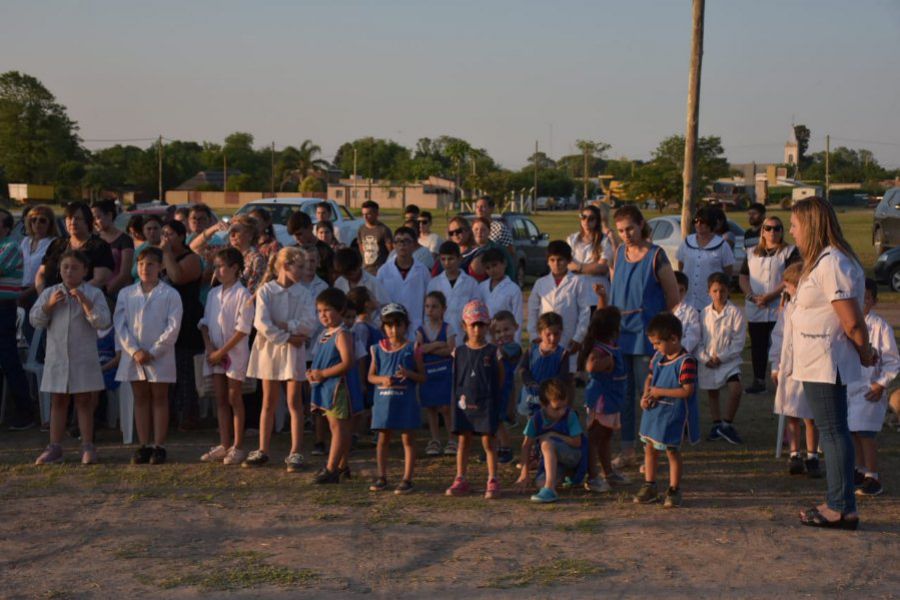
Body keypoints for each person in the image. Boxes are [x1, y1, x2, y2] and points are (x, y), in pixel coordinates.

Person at [790, 197, 872, 530]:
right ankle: (840, 503)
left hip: (826, 360)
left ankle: (840, 507)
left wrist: (866, 352)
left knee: (834, 432)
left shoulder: (832, 263)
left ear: (810, 226)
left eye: (795, 225)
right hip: (816, 359)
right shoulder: (822, 261)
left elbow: (851, 321)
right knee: (833, 430)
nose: (792, 232)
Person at [608, 204, 680, 469]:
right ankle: (628, 451)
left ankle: (652, 450)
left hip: (646, 338)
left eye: (630, 228)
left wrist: (656, 329)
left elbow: (672, 297)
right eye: (621, 230)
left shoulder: (656, 255)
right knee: (624, 395)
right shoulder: (618, 253)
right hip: (621, 335)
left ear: (641, 225)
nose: (626, 234)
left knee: (648, 394)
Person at [31, 250, 111, 464]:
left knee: (84, 401)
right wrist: (49, 306)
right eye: (65, 267)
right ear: (60, 269)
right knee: (58, 400)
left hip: (83, 357)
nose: (69, 271)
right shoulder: (50, 293)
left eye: (75, 267)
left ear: (85, 271)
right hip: (57, 357)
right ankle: (55, 447)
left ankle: (87, 445)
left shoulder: (93, 293)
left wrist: (85, 302)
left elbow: (102, 322)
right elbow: (35, 320)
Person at [243, 247, 317, 472]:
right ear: (286, 266)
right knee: (269, 401)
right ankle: (263, 449)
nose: (305, 272)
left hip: (293, 351)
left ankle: (295, 451)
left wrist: (287, 326)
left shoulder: (303, 293)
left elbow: (309, 324)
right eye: (300, 267)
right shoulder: (266, 291)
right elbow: (262, 324)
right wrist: (287, 336)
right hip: (270, 350)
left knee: (295, 401)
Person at [115, 247, 183, 465]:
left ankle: (159, 445)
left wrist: (153, 352)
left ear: (161, 266)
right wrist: (134, 350)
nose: (145, 268)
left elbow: (173, 327)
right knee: (141, 398)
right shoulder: (126, 293)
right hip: (134, 355)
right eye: (142, 263)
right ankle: (143, 444)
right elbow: (121, 325)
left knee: (160, 398)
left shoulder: (170, 294)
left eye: (151, 264)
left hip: (159, 355)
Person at [634, 313, 699, 508]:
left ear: (673, 338)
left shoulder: (686, 362)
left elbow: (687, 391)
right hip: (654, 412)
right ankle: (650, 485)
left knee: (672, 451)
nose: (655, 347)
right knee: (650, 448)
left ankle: (674, 489)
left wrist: (659, 392)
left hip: (673, 414)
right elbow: (650, 377)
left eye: (657, 343)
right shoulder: (658, 357)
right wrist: (645, 396)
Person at [198, 247, 254, 465]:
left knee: (234, 397)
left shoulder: (243, 294)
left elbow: (243, 329)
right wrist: (210, 348)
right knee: (220, 398)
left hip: (234, 353)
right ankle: (224, 443)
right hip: (215, 352)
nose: (218, 271)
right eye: (216, 267)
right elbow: (205, 323)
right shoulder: (213, 294)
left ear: (235, 268)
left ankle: (238, 446)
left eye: (222, 267)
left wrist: (222, 351)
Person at [446, 300, 504, 499]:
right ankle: (461, 478)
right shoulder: (458, 352)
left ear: (487, 326)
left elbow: (501, 378)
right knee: (463, 441)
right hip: (464, 403)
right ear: (464, 326)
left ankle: (493, 478)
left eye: (481, 324)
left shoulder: (493, 352)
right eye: (473, 325)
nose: (477, 329)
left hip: (486, 403)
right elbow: (455, 379)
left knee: (488, 441)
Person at [848, 279, 900, 497]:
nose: (862, 302)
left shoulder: (880, 327)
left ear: (874, 301)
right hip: (851, 388)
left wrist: (881, 384)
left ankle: (873, 477)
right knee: (853, 431)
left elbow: (892, 360)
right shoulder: (847, 324)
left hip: (871, 389)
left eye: (866, 298)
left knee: (866, 432)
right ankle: (860, 470)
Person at [369, 303, 426, 494]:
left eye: (398, 325)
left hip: (406, 402)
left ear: (405, 325)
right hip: (384, 402)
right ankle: (381, 476)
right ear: (383, 327)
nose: (393, 330)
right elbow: (370, 376)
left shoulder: (413, 348)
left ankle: (407, 478)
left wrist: (409, 374)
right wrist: (382, 379)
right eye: (389, 325)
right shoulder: (377, 349)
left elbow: (423, 376)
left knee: (408, 439)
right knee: (382, 439)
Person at [739, 215, 800, 394]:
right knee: (758, 344)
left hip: (778, 306)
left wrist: (771, 296)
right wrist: (751, 296)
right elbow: (743, 277)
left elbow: (792, 275)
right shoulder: (751, 252)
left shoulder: (789, 251)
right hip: (756, 306)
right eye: (768, 228)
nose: (772, 232)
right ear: (762, 231)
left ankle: (782, 378)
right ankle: (759, 380)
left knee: (780, 343)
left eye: (777, 228)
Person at [770, 262, 821, 478]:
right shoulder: (787, 309)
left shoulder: (812, 308)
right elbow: (778, 336)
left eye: (791, 286)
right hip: (788, 368)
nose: (787, 290)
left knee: (810, 415)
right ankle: (794, 453)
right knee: (791, 412)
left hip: (809, 367)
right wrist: (775, 365)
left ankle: (812, 455)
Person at [309, 288, 363, 485]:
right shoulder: (325, 333)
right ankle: (342, 465)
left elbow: (347, 362)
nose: (322, 315)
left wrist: (323, 374)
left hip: (339, 388)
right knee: (336, 427)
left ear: (340, 310)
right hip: (326, 387)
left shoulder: (342, 334)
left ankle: (331, 468)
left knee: (339, 427)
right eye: (319, 311)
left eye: (327, 310)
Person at [160, 220, 204, 430]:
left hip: (186, 320)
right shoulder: (159, 257)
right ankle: (167, 414)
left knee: (185, 368)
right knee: (167, 369)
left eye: (170, 234)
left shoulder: (191, 258)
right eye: (164, 234)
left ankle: (188, 415)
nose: (165, 238)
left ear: (181, 236)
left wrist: (167, 254)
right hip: (164, 319)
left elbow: (177, 277)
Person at [580, 303, 628, 493]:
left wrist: (602, 298)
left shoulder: (611, 345)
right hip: (601, 402)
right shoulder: (602, 351)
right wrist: (606, 363)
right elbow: (591, 366)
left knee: (606, 436)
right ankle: (592, 477)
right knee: (595, 438)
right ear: (613, 329)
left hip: (612, 401)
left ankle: (608, 472)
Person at [513, 377, 584, 503]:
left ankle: (550, 489)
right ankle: (560, 478)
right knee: (540, 483)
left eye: (564, 406)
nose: (562, 412)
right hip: (554, 462)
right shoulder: (536, 419)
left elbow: (577, 442)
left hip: (572, 456)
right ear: (544, 404)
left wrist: (553, 435)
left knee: (546, 444)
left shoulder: (570, 415)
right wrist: (524, 474)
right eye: (557, 408)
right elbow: (526, 445)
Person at [527, 240, 591, 371]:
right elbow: (532, 310)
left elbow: (585, 311)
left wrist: (578, 337)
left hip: (568, 337)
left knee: (567, 374)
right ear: (547, 261)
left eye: (560, 260)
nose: (556, 264)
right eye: (552, 260)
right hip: (545, 337)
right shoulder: (540, 283)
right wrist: (534, 335)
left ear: (569, 260)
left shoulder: (578, 281)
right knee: (545, 372)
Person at [699, 272, 746, 445]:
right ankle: (717, 424)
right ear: (709, 292)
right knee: (713, 392)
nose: (719, 295)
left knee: (736, 389)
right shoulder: (703, 313)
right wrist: (705, 359)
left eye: (723, 291)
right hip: (709, 361)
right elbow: (698, 341)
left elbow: (738, 342)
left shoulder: (735, 313)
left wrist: (721, 358)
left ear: (729, 291)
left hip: (728, 361)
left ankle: (726, 424)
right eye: (715, 291)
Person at [0, 208, 33, 430]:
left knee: (9, 359)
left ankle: (25, 412)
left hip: (3, 309)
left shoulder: (11, 247)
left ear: (7, 226)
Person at [37, 202, 114, 293]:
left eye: (78, 219)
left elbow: (99, 280)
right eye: (69, 218)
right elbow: (40, 274)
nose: (73, 222)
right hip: (51, 300)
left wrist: (70, 296)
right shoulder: (56, 244)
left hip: (84, 300)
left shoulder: (100, 246)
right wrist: (43, 296)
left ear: (87, 221)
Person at [416, 291, 455, 458]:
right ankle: (435, 439)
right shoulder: (420, 329)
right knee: (430, 407)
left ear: (443, 309)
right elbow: (419, 350)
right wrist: (438, 345)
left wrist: (430, 348)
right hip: (428, 372)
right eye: (427, 306)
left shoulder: (448, 327)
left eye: (434, 306)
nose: (430, 310)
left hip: (444, 372)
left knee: (446, 407)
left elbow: (450, 350)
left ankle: (452, 439)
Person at [676, 206, 735, 311]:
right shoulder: (687, 242)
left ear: (710, 223)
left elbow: (728, 272)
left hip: (710, 302)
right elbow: (681, 265)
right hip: (688, 301)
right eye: (696, 221)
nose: (698, 224)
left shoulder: (722, 245)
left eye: (702, 222)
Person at [376, 226, 431, 337]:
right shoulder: (384, 271)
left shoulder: (423, 271)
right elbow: (378, 301)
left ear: (414, 244)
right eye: (398, 241)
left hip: (415, 328)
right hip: (391, 328)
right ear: (394, 245)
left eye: (406, 241)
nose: (402, 245)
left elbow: (428, 300)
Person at [518, 312, 570, 416]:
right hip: (531, 394)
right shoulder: (531, 350)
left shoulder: (563, 354)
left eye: (556, 334)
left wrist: (550, 388)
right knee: (532, 423)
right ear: (540, 333)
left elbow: (563, 376)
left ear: (561, 332)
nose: (552, 338)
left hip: (551, 397)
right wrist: (529, 381)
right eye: (548, 334)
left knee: (548, 422)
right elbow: (523, 368)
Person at [426, 240, 480, 340]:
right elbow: (428, 312)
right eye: (443, 259)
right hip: (440, 335)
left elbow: (475, 310)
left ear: (459, 259)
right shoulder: (434, 283)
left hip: (464, 335)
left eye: (451, 259)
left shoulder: (471, 283)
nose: (447, 263)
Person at [567, 204, 613, 305]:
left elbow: (602, 268)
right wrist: (591, 267)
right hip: (575, 291)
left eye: (591, 218)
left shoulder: (604, 241)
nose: (586, 221)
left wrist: (578, 267)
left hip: (596, 292)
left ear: (597, 221)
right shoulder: (572, 239)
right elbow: (567, 264)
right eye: (583, 217)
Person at [492, 310, 521, 464]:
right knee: (493, 420)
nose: (502, 334)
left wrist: (493, 343)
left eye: (506, 329)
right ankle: (496, 447)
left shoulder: (514, 347)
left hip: (506, 388)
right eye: (497, 331)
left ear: (516, 327)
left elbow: (502, 354)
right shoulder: (497, 346)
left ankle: (506, 447)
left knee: (499, 419)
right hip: (496, 387)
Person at [91, 200, 135, 299]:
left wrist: (106, 293)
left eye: (98, 217)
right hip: (94, 294)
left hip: (116, 295)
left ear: (110, 215)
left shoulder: (125, 240)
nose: (94, 222)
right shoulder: (93, 240)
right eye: (92, 218)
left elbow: (124, 274)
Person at [479, 248, 523, 343]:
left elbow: (517, 318)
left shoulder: (513, 289)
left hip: (505, 337)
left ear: (504, 263)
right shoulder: (481, 287)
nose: (492, 270)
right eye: (488, 268)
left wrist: (515, 344)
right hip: (485, 338)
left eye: (495, 265)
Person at [19, 204, 59, 305]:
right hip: (19, 289)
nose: (37, 223)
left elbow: (47, 274)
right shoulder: (25, 241)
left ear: (50, 223)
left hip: (39, 292)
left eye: (42, 220)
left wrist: (26, 293)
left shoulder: (54, 243)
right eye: (34, 219)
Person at [333, 247, 384, 323]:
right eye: (346, 275)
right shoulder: (339, 283)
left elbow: (385, 307)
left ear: (359, 266)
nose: (350, 277)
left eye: (352, 273)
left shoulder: (373, 282)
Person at [288, 210, 334, 284]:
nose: (296, 238)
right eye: (293, 235)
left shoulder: (325, 251)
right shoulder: (293, 251)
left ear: (310, 228)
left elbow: (332, 278)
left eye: (299, 234)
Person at [357, 200, 393, 275]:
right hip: (365, 271)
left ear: (376, 214)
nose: (365, 217)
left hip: (380, 272)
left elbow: (392, 252)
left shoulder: (384, 230)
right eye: (363, 214)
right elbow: (361, 250)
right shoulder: (361, 229)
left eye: (368, 214)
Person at [672, 272, 701, 357]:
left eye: (682, 290)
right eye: (675, 289)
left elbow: (693, 336)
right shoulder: (661, 308)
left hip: (681, 355)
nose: (678, 294)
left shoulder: (691, 312)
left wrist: (675, 351)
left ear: (686, 291)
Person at [130, 215, 164, 280]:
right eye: (149, 229)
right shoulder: (139, 249)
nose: (152, 232)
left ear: (161, 229)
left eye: (155, 228)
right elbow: (131, 273)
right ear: (143, 231)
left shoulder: (167, 248)